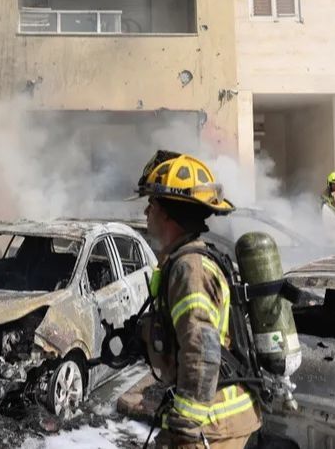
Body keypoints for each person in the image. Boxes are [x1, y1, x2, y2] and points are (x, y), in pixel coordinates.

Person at [118, 151, 261, 448]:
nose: (146, 212)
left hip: (213, 422)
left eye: (152, 204)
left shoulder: (190, 269)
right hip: (218, 417)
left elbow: (201, 349)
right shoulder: (186, 260)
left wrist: (185, 425)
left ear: (168, 213)